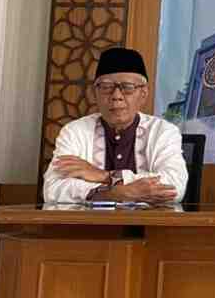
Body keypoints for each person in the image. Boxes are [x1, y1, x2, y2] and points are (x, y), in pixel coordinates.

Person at [43, 47, 187, 204]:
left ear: (143, 94)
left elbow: (175, 186)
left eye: (128, 87)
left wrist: (105, 176)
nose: (116, 96)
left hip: (149, 220)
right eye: (106, 87)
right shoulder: (74, 131)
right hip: (89, 220)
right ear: (94, 93)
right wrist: (113, 194)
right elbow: (52, 189)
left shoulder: (163, 131)